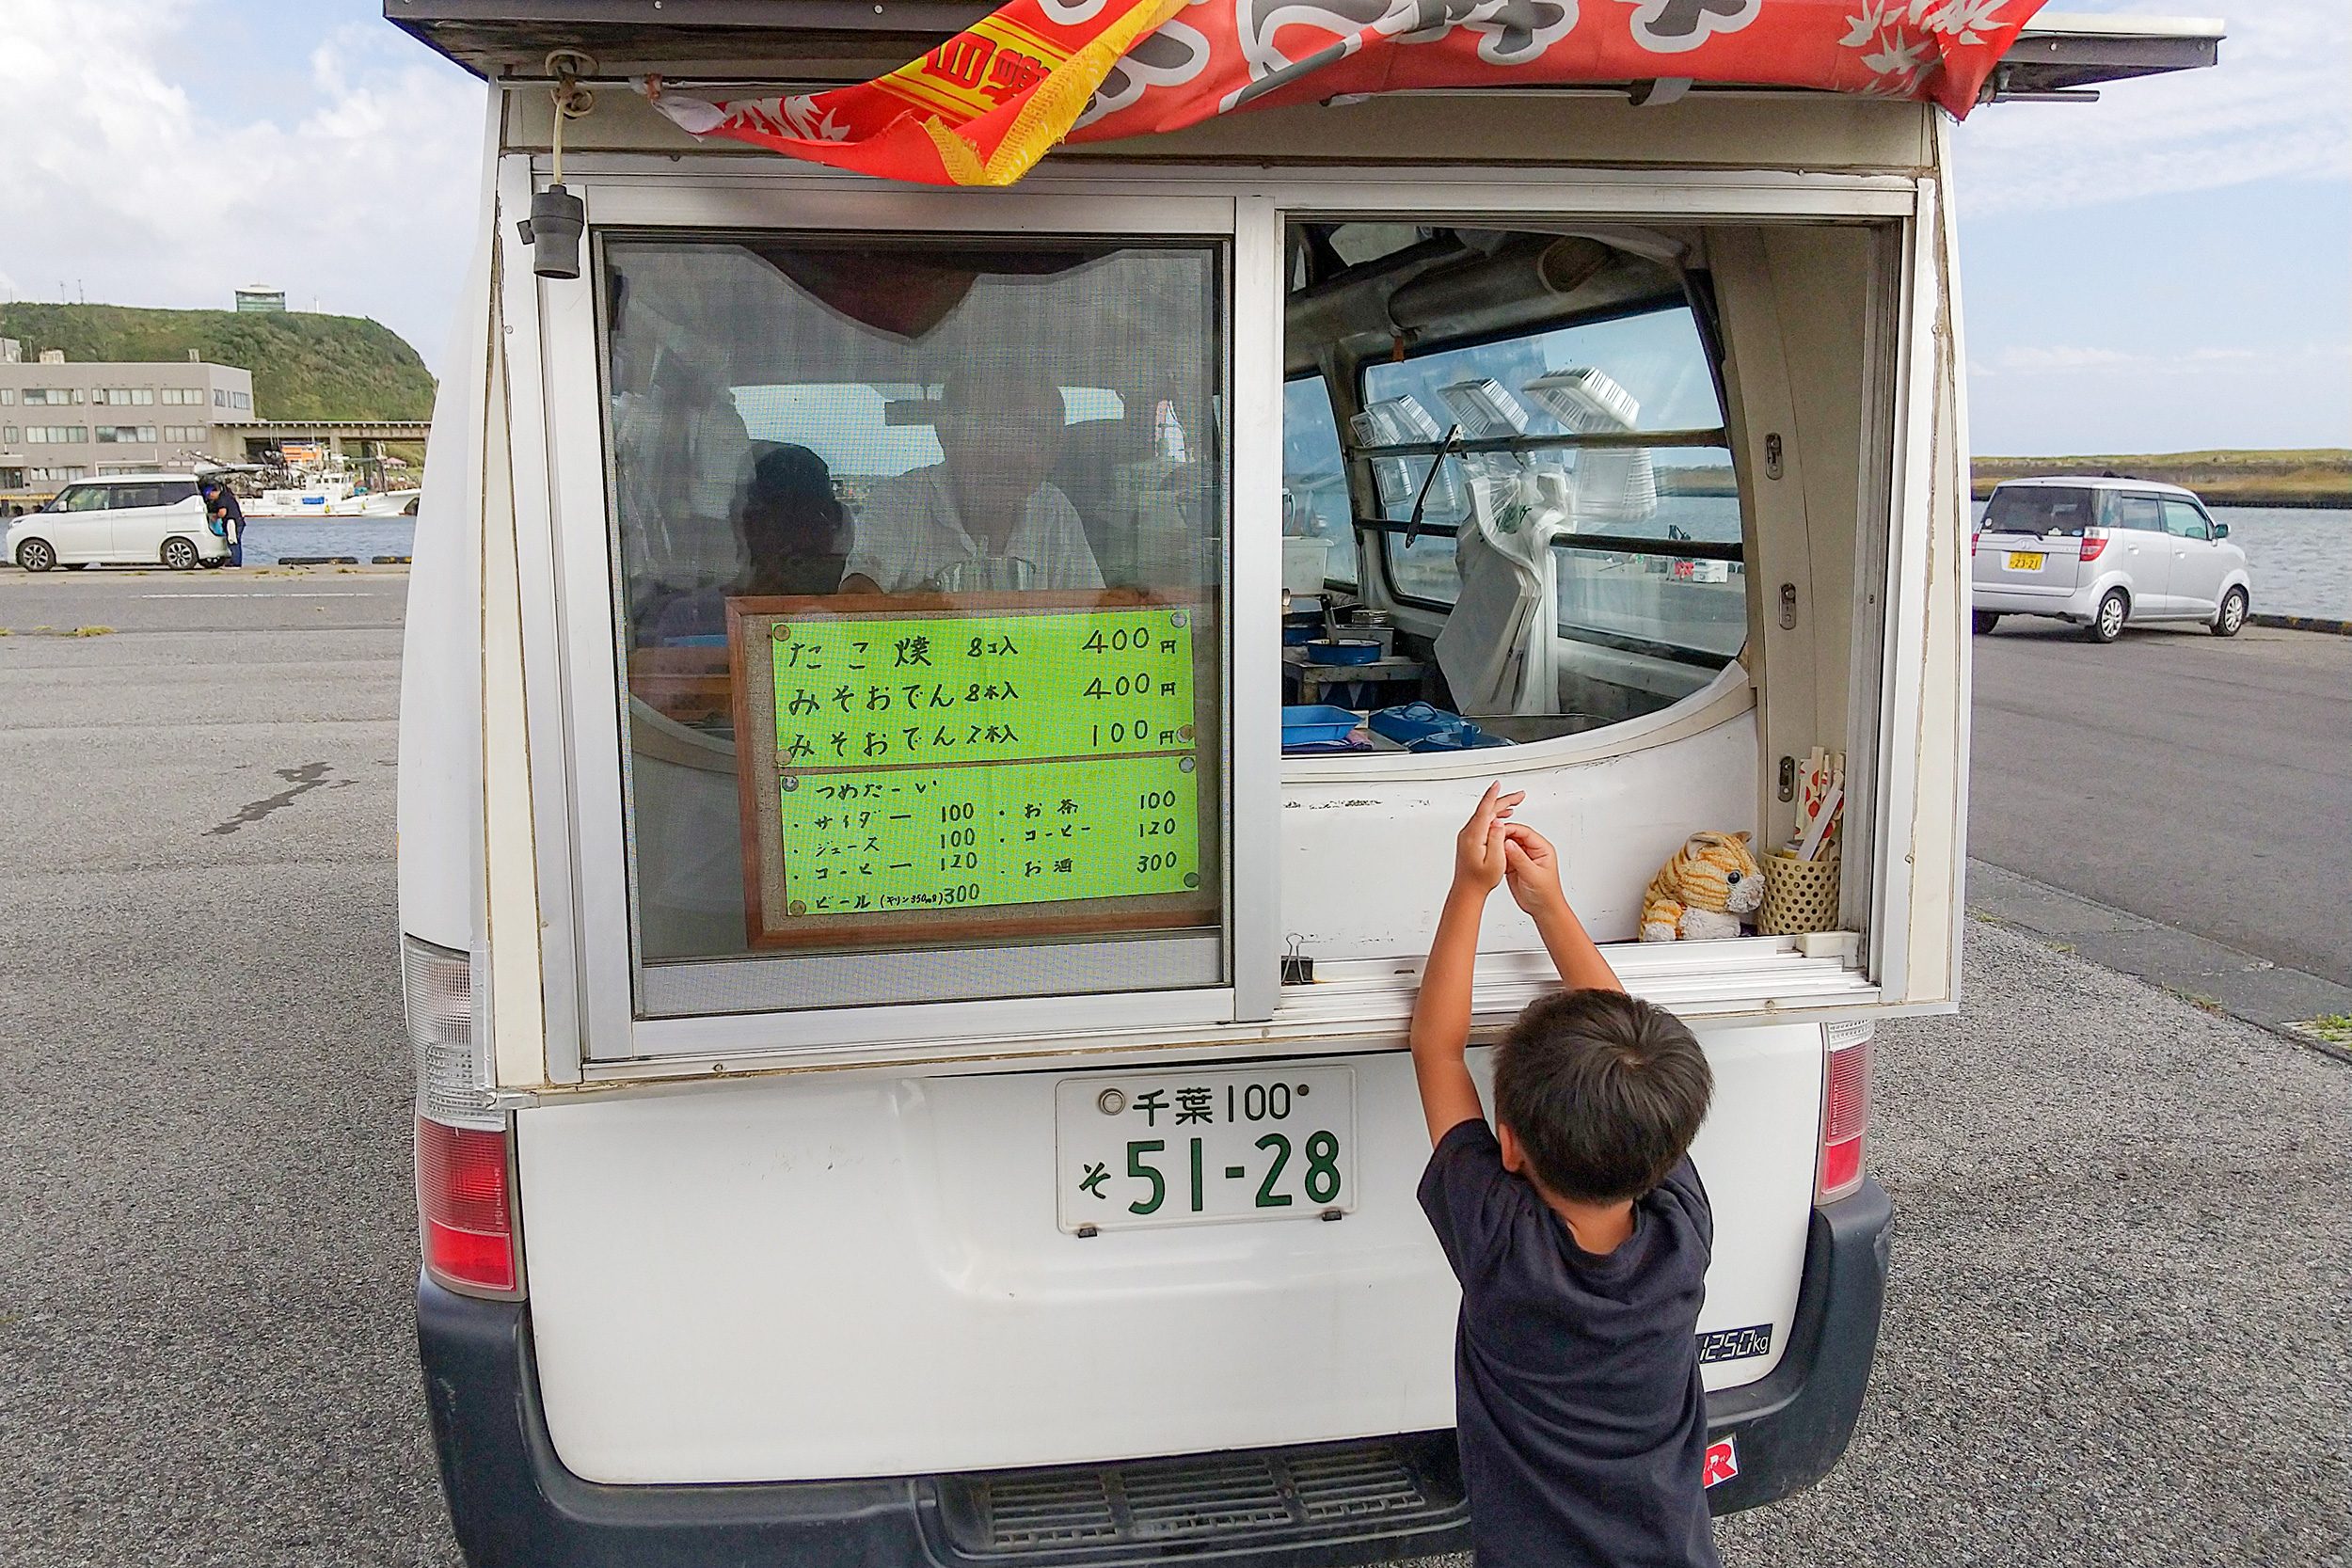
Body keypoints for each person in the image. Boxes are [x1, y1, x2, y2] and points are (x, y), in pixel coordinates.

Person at [1408, 784, 1719, 1568]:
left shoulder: (1506, 1245)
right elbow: (1626, 1060)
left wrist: (1471, 887)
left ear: (1509, 1146)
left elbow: (1439, 1049)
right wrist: (1547, 905)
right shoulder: (1678, 1229)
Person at [839, 368, 1104, 594]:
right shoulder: (901, 502)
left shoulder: (1054, 509)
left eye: (1030, 434)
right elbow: (855, 603)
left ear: (1054, 450)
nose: (1007, 453)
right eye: (988, 429)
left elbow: (1096, 616)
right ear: (945, 434)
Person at [199, 477, 246, 567]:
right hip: (238, 521)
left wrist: (215, 517)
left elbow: (222, 512)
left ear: (213, 492)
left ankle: (235, 562)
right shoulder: (227, 496)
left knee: (233, 542)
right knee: (236, 542)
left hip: (232, 522)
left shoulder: (221, 499)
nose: (210, 497)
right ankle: (236, 561)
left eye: (209, 495)